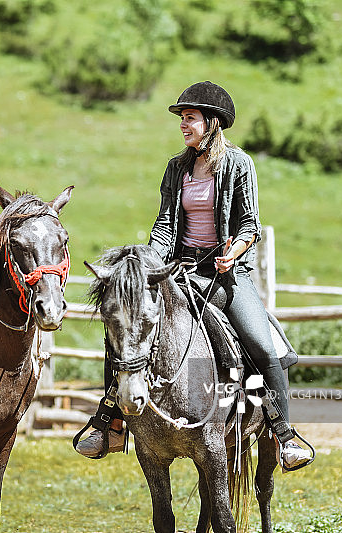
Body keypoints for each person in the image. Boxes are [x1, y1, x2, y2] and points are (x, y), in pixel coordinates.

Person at [75, 81, 313, 470]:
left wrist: (232, 254)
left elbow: (249, 225)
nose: (184, 125)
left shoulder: (239, 164)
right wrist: (146, 262)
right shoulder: (176, 167)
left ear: (213, 123)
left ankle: (284, 434)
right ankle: (109, 422)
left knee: (262, 344)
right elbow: (165, 225)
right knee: (125, 328)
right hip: (182, 272)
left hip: (227, 276)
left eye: (190, 118)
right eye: (182, 119)